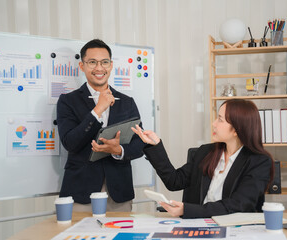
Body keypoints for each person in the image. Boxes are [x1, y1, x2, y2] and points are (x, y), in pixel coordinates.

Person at [132, 99, 274, 218]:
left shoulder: (259, 161)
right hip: (198, 227)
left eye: (220, 120)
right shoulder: (206, 152)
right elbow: (173, 181)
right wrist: (155, 145)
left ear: (236, 129)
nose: (214, 124)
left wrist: (187, 210)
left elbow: (239, 204)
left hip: (235, 230)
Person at [57, 39, 145, 212]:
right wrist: (97, 110)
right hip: (80, 192)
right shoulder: (67, 101)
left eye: (104, 62)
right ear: (82, 66)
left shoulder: (127, 102)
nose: (99, 68)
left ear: (111, 65)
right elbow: (70, 142)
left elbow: (139, 144)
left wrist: (119, 151)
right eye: (92, 62)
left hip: (119, 193)